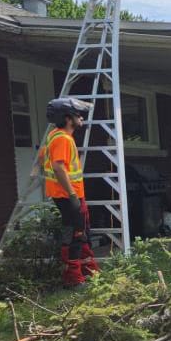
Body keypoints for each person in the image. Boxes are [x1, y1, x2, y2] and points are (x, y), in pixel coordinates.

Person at [42, 97, 99, 286]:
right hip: (68, 196)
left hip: (70, 195)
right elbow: (58, 167)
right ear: (68, 119)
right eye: (77, 114)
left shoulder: (55, 135)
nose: (80, 117)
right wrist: (73, 196)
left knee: (82, 232)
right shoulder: (63, 139)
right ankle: (74, 278)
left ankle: (89, 271)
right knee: (75, 235)